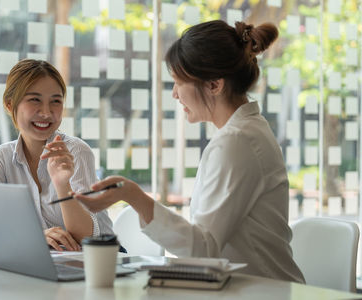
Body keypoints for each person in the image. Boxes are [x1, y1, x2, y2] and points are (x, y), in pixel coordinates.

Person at [73, 20, 305, 283]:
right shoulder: (244, 131)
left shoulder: (237, 140)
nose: (174, 94)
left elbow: (204, 249)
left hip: (264, 291)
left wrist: (134, 196)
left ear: (214, 85)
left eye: (178, 82)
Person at [0, 59, 113, 251]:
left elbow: (86, 238)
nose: (46, 112)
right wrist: (32, 238)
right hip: (39, 259)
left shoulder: (76, 152)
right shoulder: (2, 158)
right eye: (35, 100)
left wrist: (63, 185)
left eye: (55, 101)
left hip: (96, 259)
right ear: (10, 105)